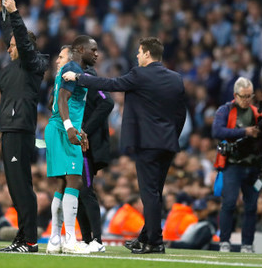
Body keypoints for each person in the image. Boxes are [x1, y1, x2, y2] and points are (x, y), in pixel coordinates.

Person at [63, 37, 186, 254]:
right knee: (155, 192)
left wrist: (79, 77)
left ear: (148, 54)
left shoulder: (140, 74)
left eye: (139, 52)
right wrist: (171, 136)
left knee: (149, 194)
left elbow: (111, 84)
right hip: (167, 143)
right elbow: (180, 114)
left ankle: (155, 242)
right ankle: (146, 237)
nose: (137, 56)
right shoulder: (176, 79)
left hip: (147, 143)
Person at [0, 0, 49, 252]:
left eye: (14, 45)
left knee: (22, 188)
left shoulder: (34, 64)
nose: (9, 48)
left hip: (20, 130)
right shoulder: (13, 67)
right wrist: (4, 16)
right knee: (15, 190)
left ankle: (30, 240)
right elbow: (14, 37)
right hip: (7, 130)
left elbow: (24, 43)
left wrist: (15, 13)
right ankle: (22, 236)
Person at [45, 36, 92, 254]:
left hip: (57, 128)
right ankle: (71, 240)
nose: (57, 61)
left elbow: (53, 103)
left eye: (60, 57)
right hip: (63, 130)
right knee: (75, 180)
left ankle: (55, 239)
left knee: (62, 185)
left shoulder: (61, 76)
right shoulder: (72, 67)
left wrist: (74, 126)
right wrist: (70, 127)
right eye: (94, 49)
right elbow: (62, 100)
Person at [211, 77, 262, 253]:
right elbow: (217, 131)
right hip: (233, 164)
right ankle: (224, 241)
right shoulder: (225, 110)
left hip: (253, 164)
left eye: (250, 96)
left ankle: (247, 244)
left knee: (251, 206)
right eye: (244, 96)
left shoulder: (257, 113)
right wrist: (244, 131)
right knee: (229, 203)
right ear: (235, 95)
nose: (247, 100)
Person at [76, 35, 114, 254]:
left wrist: (85, 131)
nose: (97, 53)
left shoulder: (89, 77)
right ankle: (86, 238)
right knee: (79, 190)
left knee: (86, 190)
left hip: (85, 146)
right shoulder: (74, 78)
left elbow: (107, 102)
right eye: (94, 49)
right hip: (75, 144)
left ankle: (97, 240)